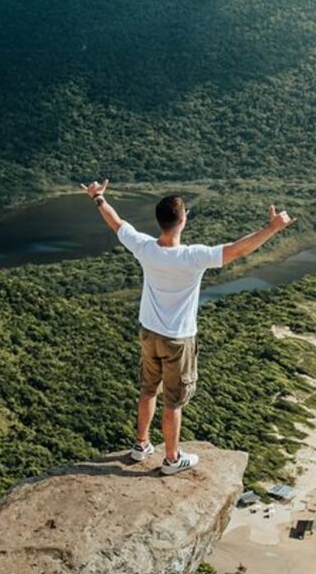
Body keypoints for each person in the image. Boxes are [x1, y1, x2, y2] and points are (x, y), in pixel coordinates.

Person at [80, 179, 295, 474]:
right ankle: (171, 459)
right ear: (183, 220)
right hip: (177, 339)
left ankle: (141, 445)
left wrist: (98, 198)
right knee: (174, 401)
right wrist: (272, 228)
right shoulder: (193, 257)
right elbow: (237, 251)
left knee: (147, 391)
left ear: (160, 221)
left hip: (148, 332)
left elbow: (117, 223)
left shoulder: (144, 247)